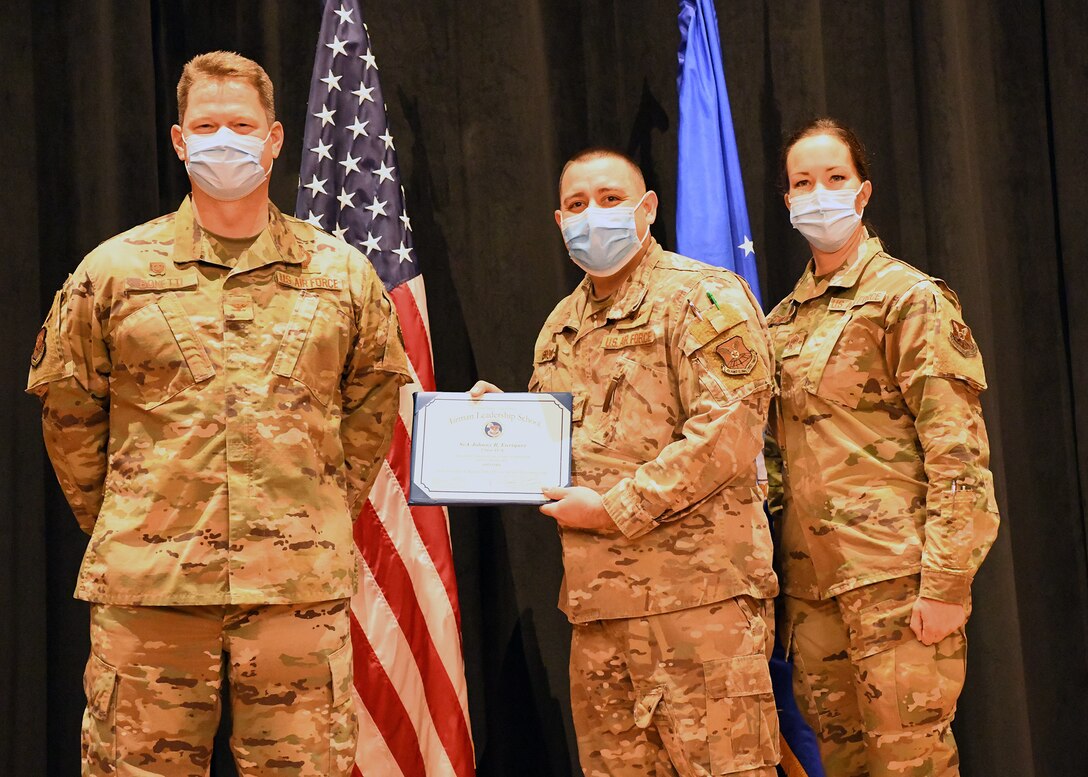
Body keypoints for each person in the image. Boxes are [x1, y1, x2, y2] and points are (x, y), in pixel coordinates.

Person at [26, 51, 411, 776]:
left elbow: (370, 408)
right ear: (179, 140)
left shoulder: (340, 275)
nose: (223, 140)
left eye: (241, 124)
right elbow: (70, 411)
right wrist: (138, 516)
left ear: (273, 140)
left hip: (294, 597)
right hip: (152, 595)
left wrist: (309, 513)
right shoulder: (112, 272)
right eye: (207, 125)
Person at [472, 148, 781, 776]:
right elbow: (560, 446)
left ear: (648, 208)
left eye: (611, 200)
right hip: (598, 613)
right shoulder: (561, 324)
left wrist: (615, 508)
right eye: (578, 205)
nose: (594, 215)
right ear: (559, 221)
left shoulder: (703, 297)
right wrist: (493, 426)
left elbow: (729, 431)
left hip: (699, 608)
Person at [764, 118, 1000, 776]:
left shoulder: (909, 299)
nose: (819, 194)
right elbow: (772, 469)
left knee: (912, 765)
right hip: (815, 596)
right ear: (786, 202)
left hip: (897, 586)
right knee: (843, 766)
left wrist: (949, 582)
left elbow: (958, 453)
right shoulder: (779, 322)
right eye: (802, 183)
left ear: (862, 192)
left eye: (834, 179)